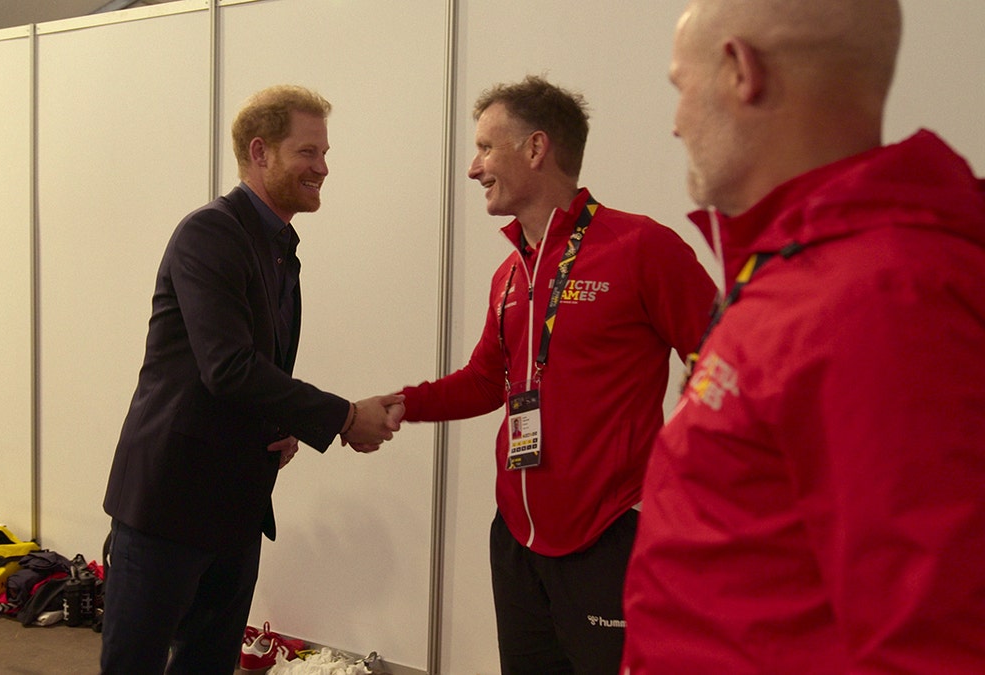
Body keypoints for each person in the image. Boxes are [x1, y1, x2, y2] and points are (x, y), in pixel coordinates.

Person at [622, 1, 985, 672]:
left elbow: (938, 644)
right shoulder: (802, 270)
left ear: (740, 70)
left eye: (680, 87)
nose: (674, 123)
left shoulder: (882, 301)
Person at [390, 76, 717, 674]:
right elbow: (487, 382)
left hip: (611, 535)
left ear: (536, 148)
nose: (474, 167)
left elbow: (724, 358)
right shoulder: (509, 276)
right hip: (516, 542)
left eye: (487, 147)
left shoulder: (642, 247)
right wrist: (399, 404)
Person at [100, 84, 404, 674]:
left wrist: (278, 423)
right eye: (308, 152)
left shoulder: (277, 248)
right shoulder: (210, 234)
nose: (322, 167)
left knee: (208, 665)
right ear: (260, 152)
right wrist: (342, 417)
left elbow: (246, 368)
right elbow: (228, 367)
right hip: (168, 506)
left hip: (233, 509)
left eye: (324, 153)